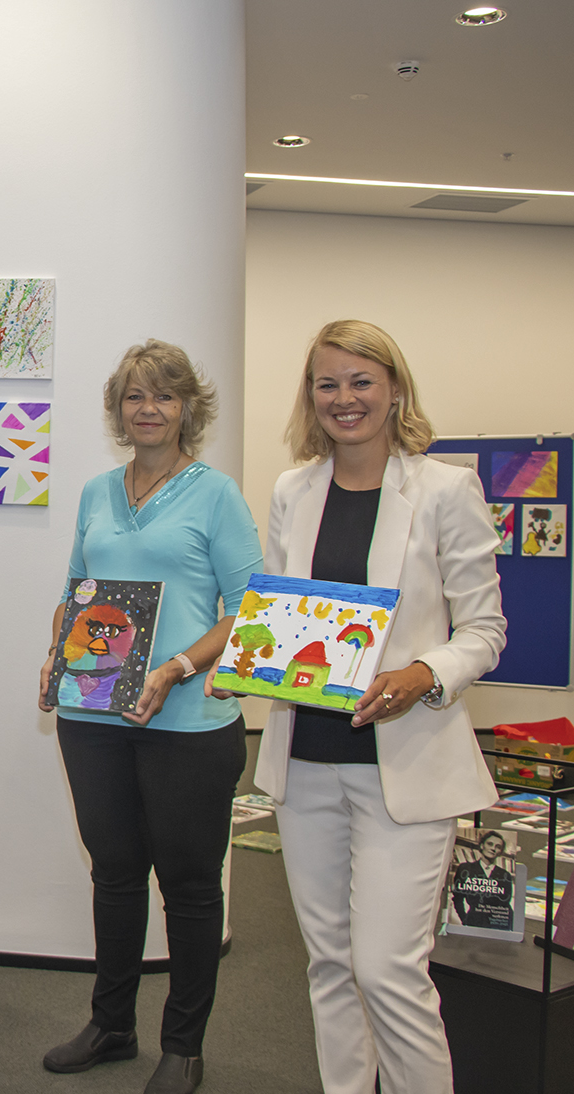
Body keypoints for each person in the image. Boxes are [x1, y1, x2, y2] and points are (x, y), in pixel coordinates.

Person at [243, 319, 504, 1094]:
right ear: (310, 394)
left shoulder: (443, 490)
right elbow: (281, 615)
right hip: (305, 762)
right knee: (328, 964)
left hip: (406, 766)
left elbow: (484, 631)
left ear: (393, 390)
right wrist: (247, 664)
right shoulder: (292, 490)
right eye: (327, 383)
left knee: (387, 970)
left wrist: (424, 671)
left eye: (360, 381)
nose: (344, 398)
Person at [37, 339, 262, 1094]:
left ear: (187, 408)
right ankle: (111, 1026)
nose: (148, 409)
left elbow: (249, 610)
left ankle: (183, 1046)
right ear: (118, 408)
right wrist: (55, 653)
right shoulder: (97, 492)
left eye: (164, 395)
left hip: (187, 722)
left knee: (190, 887)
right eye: (134, 396)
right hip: (94, 715)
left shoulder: (216, 495)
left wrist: (176, 668)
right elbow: (77, 589)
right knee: (114, 874)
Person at [450, 830, 513, 931]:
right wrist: (464, 919)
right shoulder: (465, 869)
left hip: (496, 925)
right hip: (473, 922)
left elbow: (505, 905)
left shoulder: (505, 875)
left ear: (500, 852)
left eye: (498, 847)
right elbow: (458, 898)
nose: (493, 848)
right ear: (482, 845)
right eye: (490, 844)